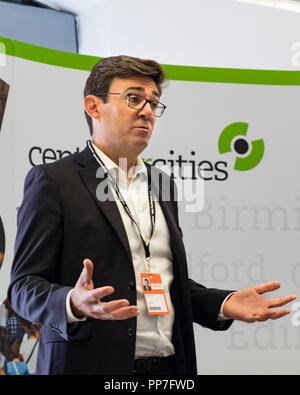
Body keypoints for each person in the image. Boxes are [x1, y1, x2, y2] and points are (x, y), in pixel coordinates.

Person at [7, 55, 296, 375]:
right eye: (133, 98)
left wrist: (223, 303)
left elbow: (162, 281)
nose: (147, 110)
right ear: (94, 106)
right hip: (87, 364)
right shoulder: (54, 181)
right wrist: (72, 303)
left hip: (167, 368)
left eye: (153, 102)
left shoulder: (162, 184)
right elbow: (22, 288)